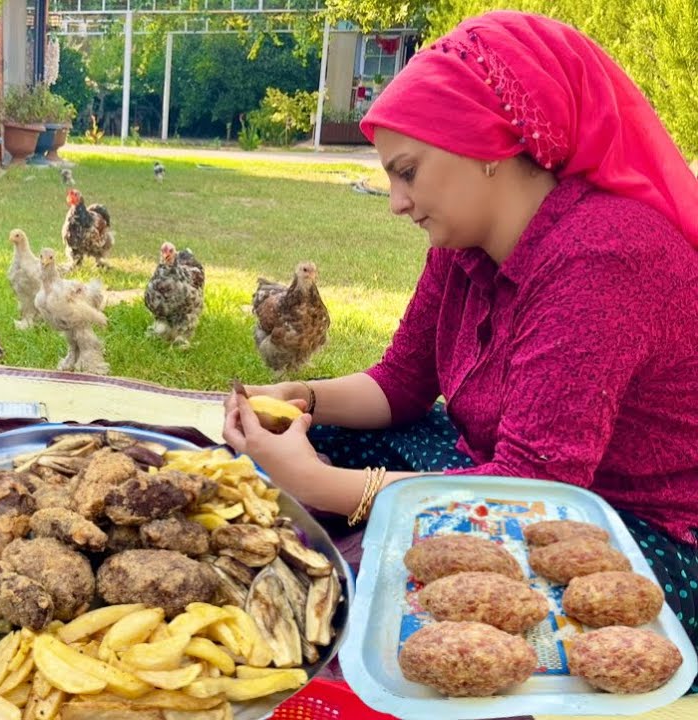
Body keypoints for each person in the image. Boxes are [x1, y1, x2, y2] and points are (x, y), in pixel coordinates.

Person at [224, 10, 698, 663]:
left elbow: (532, 492)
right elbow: (401, 384)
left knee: (376, 622)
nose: (396, 201)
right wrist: (303, 397)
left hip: (627, 528)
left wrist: (323, 486)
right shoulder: (463, 242)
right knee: (263, 467)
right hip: (498, 466)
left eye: (408, 172)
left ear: (488, 144)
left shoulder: (603, 257)